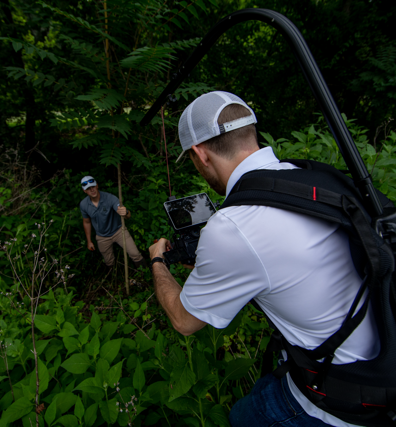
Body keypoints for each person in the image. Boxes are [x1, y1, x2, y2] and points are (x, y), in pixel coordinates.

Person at [148, 91, 378, 427]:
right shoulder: (308, 179)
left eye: (193, 160)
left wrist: (158, 262)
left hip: (336, 402)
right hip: (386, 366)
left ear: (200, 154)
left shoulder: (232, 226)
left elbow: (185, 321)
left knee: (242, 417)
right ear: (250, 131)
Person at [80, 176, 147, 269]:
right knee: (109, 261)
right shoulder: (83, 205)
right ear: (84, 191)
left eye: (93, 186)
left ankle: (145, 274)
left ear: (97, 186)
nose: (92, 190)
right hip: (102, 236)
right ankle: (112, 278)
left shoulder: (110, 198)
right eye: (88, 189)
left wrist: (125, 212)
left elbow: (126, 215)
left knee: (135, 254)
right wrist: (89, 241)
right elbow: (87, 222)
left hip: (119, 231)